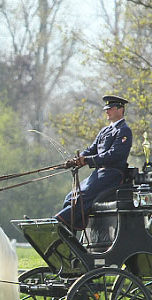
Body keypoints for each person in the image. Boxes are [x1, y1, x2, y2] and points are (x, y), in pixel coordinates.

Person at [55, 95, 133, 230]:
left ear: (121, 109)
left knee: (83, 197)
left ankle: (58, 222)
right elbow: (92, 149)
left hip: (112, 173)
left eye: (111, 108)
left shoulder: (124, 130)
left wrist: (88, 160)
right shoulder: (105, 130)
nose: (107, 111)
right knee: (71, 196)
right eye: (106, 109)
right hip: (99, 173)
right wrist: (78, 159)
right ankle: (69, 229)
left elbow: (115, 154)